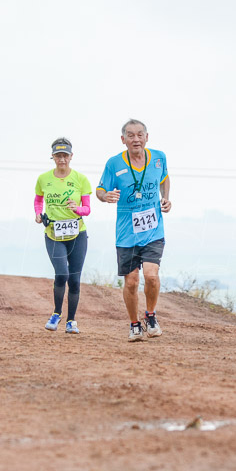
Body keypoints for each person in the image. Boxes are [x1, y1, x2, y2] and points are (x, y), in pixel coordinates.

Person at [96, 119, 171, 342]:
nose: (136, 139)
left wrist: (165, 198)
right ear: (123, 140)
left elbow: (165, 179)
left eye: (140, 135)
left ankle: (150, 315)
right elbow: (100, 189)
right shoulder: (114, 164)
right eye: (131, 135)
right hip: (127, 233)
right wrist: (105, 196)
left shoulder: (159, 158)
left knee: (151, 276)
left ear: (147, 137)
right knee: (130, 282)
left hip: (153, 230)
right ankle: (134, 324)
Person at [35, 138, 92, 334]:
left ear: (71, 156)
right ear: (52, 157)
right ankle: (56, 313)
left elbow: (87, 209)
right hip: (53, 234)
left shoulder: (81, 179)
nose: (62, 159)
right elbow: (38, 200)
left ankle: (71, 321)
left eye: (65, 155)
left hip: (77, 235)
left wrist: (78, 209)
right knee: (62, 274)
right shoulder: (44, 178)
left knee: (74, 280)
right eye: (58, 155)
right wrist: (37, 213)